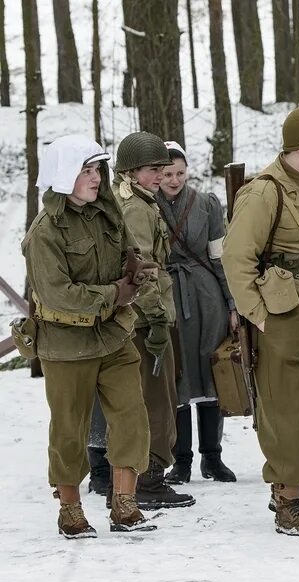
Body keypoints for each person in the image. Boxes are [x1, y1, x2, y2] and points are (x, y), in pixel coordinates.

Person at [21, 134, 156, 537]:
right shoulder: (44, 231)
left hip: (113, 337)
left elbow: (130, 258)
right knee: (69, 429)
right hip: (65, 345)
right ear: (64, 175)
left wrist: (140, 274)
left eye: (97, 169)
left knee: (132, 418)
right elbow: (58, 294)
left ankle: (125, 504)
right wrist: (117, 292)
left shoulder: (108, 214)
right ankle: (71, 509)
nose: (95, 178)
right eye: (85, 170)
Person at [222, 105, 299, 537]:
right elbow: (237, 259)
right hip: (283, 316)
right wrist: (258, 316)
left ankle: (298, 485)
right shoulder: (263, 192)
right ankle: (287, 499)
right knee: (286, 407)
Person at [111, 131, 195, 509]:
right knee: (157, 400)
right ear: (130, 172)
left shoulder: (142, 200)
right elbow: (142, 269)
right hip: (145, 321)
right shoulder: (136, 208)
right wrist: (159, 321)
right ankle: (148, 479)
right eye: (153, 169)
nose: (161, 174)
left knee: (155, 397)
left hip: (145, 317)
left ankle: (144, 475)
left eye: (163, 167)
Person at [155, 141, 237, 485]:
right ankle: (182, 460)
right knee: (178, 378)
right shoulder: (146, 206)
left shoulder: (206, 204)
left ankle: (212, 457)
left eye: (180, 173)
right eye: (168, 173)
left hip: (207, 299)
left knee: (210, 374)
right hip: (168, 298)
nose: (174, 180)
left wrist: (232, 304)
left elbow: (220, 256)